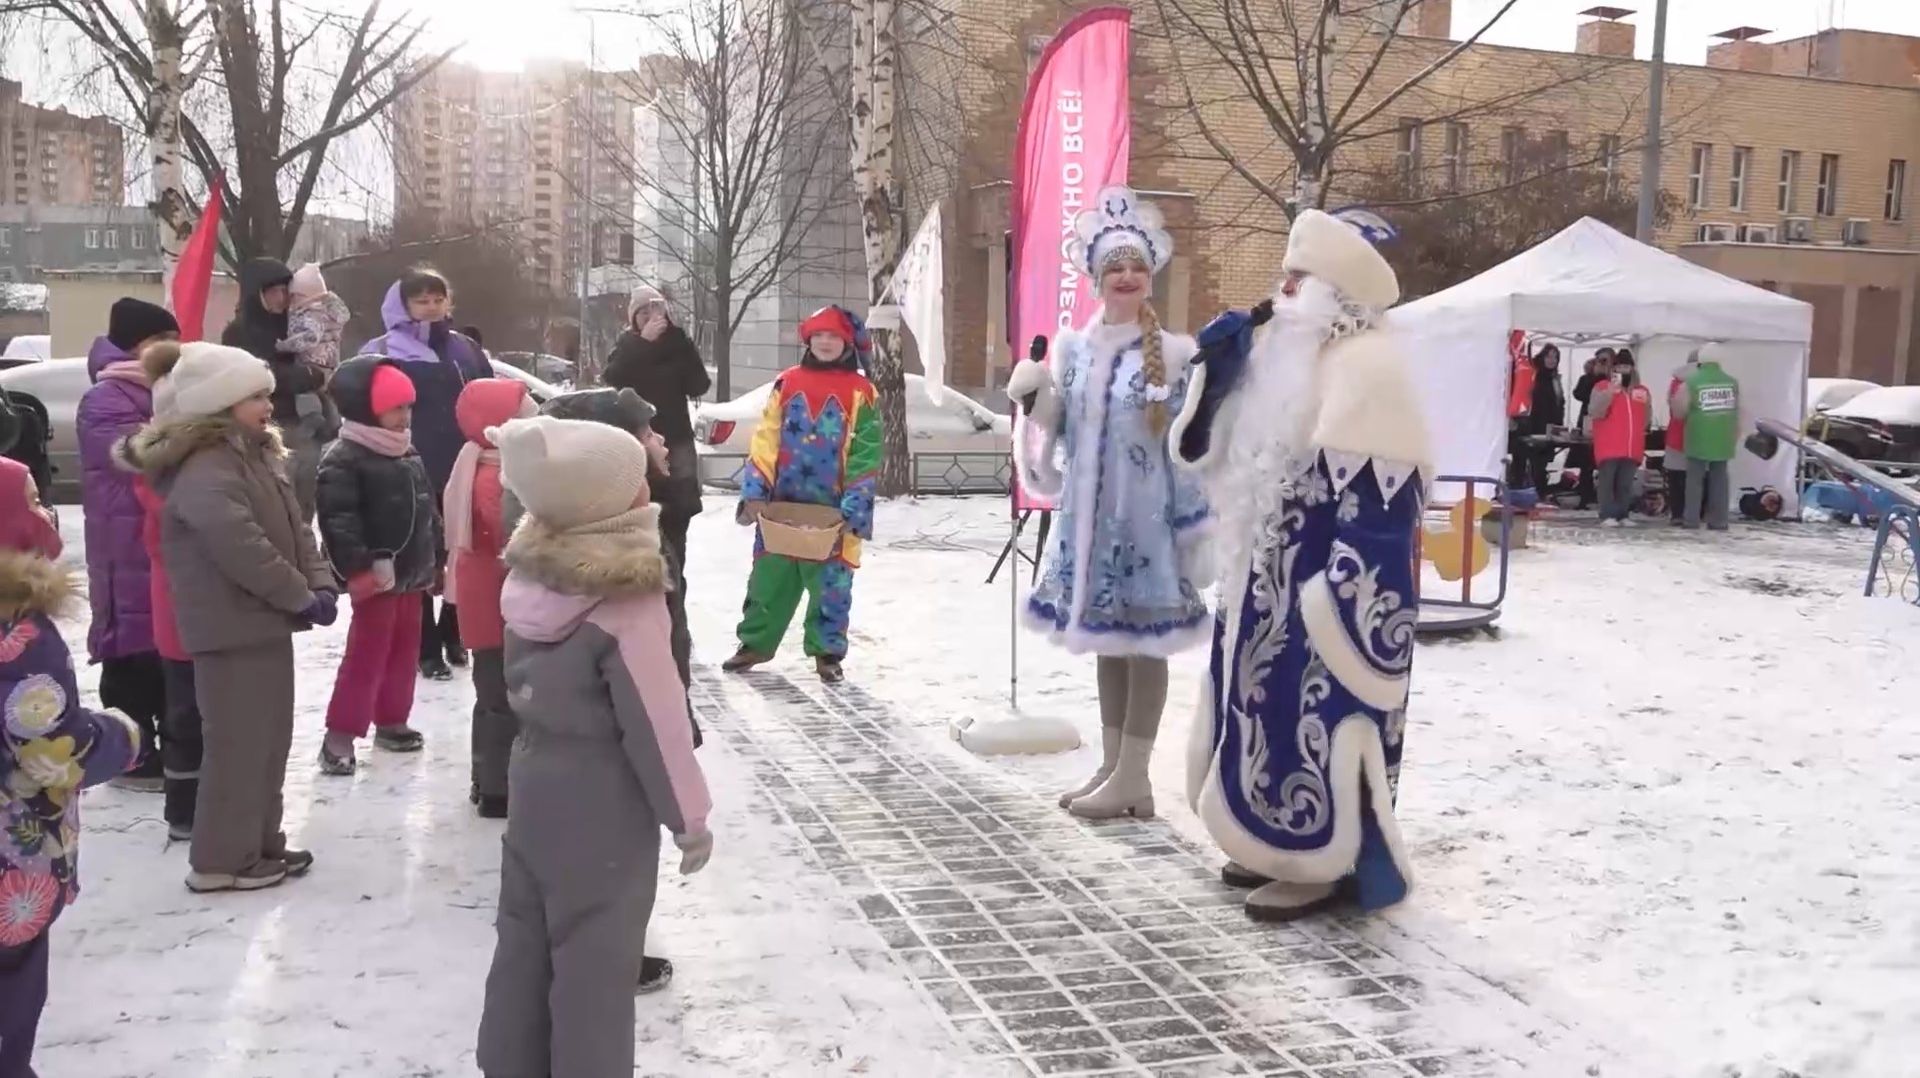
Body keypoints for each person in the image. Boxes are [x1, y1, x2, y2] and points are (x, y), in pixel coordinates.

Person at [1171, 208, 1427, 922]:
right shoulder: (1279, 364)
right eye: (1284, 275)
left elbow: (1381, 515)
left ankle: (1325, 863)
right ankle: (1266, 844)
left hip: (1318, 601)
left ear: (1337, 294)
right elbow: (1209, 459)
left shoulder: (1368, 370)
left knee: (1314, 724)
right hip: (1260, 587)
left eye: (1297, 278)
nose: (1280, 290)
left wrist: (1336, 604)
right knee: (1256, 715)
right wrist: (1214, 381)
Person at [476, 415, 713, 1076]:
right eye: (636, 477)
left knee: (524, 941)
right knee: (596, 962)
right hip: (603, 805)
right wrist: (689, 817)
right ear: (609, 500)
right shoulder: (625, 600)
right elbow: (657, 721)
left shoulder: (531, 578)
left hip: (533, 784)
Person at [1005, 186, 1210, 821]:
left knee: (1143, 646)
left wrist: (1193, 533)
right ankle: (1114, 768)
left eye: (1136, 266)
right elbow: (1063, 429)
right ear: (1096, 279)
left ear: (1150, 276)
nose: (1126, 275)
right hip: (1089, 525)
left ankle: (1134, 774)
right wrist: (1034, 397)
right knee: (1108, 644)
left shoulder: (1175, 356)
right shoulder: (1074, 350)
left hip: (1147, 527)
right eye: (1114, 266)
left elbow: (1188, 449)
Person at [503, 387, 694, 995]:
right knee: (605, 887)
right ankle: (610, 962)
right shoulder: (619, 575)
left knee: (551, 901)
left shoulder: (549, 547)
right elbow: (645, 694)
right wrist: (690, 814)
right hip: (609, 765)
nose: (660, 442)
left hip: (543, 765)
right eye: (644, 435)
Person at [127, 342, 338, 893]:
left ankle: (259, 842)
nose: (268, 405)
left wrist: (318, 581)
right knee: (238, 746)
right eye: (255, 397)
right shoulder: (206, 466)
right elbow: (240, 546)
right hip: (229, 628)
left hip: (262, 622)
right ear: (220, 404)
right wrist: (299, 594)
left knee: (267, 741)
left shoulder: (256, 453)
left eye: (267, 394)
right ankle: (222, 859)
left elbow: (296, 526)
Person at [0, 456, 141, 1078]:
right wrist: (122, 736)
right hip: (13, 857)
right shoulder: (20, 634)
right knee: (13, 990)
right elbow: (53, 747)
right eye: (31, 499)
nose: (45, 510)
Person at [722, 306, 881, 684]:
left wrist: (855, 505)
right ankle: (755, 644)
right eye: (818, 335)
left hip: (834, 510)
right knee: (768, 579)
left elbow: (867, 451)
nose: (825, 342)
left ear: (846, 343)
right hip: (781, 505)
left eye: (833, 336)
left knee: (831, 587)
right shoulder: (787, 382)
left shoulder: (862, 391)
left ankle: (827, 653)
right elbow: (766, 437)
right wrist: (755, 490)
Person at [356, 268, 490, 681]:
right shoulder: (381, 350)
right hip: (405, 467)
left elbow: (488, 398)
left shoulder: (466, 348)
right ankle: (425, 644)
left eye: (438, 299)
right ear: (403, 305)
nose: (431, 307)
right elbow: (361, 408)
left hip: (462, 466)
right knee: (417, 558)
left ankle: (454, 631)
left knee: (462, 553)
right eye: (421, 300)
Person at [314, 357, 442, 773]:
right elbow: (339, 522)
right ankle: (340, 734)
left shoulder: (407, 451)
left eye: (408, 407)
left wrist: (437, 559)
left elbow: (427, 511)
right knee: (367, 655)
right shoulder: (344, 458)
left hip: (412, 573)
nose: (404, 416)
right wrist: (359, 567)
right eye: (394, 408)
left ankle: (392, 718)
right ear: (365, 408)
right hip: (377, 577)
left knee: (404, 651)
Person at [78, 298, 179, 793]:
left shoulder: (160, 390)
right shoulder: (106, 398)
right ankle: (130, 757)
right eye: (161, 340)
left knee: (162, 647)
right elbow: (137, 454)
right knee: (131, 650)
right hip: (122, 543)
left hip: (156, 537)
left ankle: (163, 745)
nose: (172, 349)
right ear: (135, 345)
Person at [114, 342, 203, 840]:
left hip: (184, 609)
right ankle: (186, 810)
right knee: (188, 713)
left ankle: (189, 808)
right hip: (186, 608)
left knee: (188, 712)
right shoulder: (173, 477)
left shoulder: (167, 468)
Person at [447, 377, 538, 818]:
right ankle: (497, 788)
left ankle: (486, 777)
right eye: (526, 412)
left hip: (486, 595)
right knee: (500, 694)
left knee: (492, 693)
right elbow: (511, 533)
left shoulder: (476, 462)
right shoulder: (496, 475)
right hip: (496, 597)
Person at [603, 285, 711, 599]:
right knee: (639, 518)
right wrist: (644, 344)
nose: (652, 317)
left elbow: (699, 384)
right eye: (644, 312)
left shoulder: (678, 345)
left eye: (657, 310)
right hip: (637, 442)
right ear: (633, 318)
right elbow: (613, 379)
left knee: (676, 524)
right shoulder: (627, 346)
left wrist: (681, 343)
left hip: (675, 442)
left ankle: (674, 598)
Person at [222, 257, 327, 522]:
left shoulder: (293, 324)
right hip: (268, 424)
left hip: (305, 423)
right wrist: (309, 376)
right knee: (276, 502)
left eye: (284, 291)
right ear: (256, 293)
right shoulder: (240, 331)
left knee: (305, 498)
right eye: (273, 292)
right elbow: (262, 375)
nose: (281, 299)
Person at [278, 262, 351, 442]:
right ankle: (335, 424)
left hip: (312, 360)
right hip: (329, 362)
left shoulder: (312, 314)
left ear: (303, 295)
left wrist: (285, 345)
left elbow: (309, 337)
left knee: (304, 388)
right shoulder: (329, 312)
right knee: (325, 395)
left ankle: (311, 416)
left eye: (294, 296)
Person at [1679, 346, 1743, 531]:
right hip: (1723, 438)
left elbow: (1680, 411)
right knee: (1720, 480)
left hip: (1698, 436)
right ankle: (1719, 520)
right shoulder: (1732, 383)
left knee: (1694, 481)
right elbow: (1738, 410)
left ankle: (1691, 520)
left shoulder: (1692, 382)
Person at [1588, 348, 1651, 527]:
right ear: (1613, 369)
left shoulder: (1641, 391)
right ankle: (1607, 514)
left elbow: (1646, 415)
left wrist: (1641, 429)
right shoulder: (1602, 387)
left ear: (1632, 368)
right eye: (1620, 366)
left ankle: (1623, 514)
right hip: (1609, 445)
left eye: (1626, 366)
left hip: (1632, 445)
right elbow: (1595, 411)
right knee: (1607, 482)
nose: (1623, 370)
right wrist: (1610, 392)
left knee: (1625, 483)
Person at [1569, 348, 1613, 508]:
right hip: (1588, 423)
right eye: (1599, 360)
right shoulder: (1588, 378)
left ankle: (1604, 496)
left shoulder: (1615, 379)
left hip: (1608, 424)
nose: (1602, 363)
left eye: (1605, 360)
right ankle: (1585, 496)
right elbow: (1579, 394)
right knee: (1586, 463)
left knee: (1606, 463)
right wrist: (1593, 376)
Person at [1522, 344, 1566, 495]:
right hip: (1536, 426)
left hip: (1552, 427)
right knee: (1536, 462)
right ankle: (1536, 492)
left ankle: (1540, 491)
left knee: (1544, 462)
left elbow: (1560, 403)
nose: (1552, 360)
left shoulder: (1555, 378)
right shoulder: (1535, 375)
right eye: (1549, 356)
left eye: (1555, 357)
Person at [1665, 351, 1700, 525]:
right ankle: (1696, 513)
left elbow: (1672, 407)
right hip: (1700, 435)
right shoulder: (1705, 381)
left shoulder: (1676, 382)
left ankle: (1677, 514)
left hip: (1676, 434)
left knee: (1676, 478)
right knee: (1697, 478)